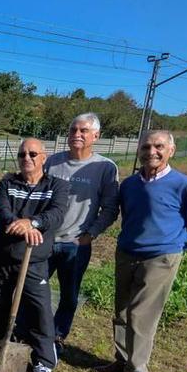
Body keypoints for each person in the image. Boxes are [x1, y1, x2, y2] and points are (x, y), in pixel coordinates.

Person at [100, 130, 187, 372]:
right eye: (146, 146)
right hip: (128, 253)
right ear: (139, 151)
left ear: (171, 151)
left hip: (160, 258)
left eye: (159, 146)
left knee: (141, 315)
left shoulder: (184, 186)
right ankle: (122, 361)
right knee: (121, 311)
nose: (152, 151)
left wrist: (174, 247)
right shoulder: (129, 185)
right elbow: (130, 217)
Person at [0, 138, 68, 372]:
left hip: (34, 261)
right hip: (2, 257)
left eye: (33, 154)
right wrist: (24, 225)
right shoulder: (8, 183)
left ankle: (44, 361)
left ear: (44, 157)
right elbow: (2, 211)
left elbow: (55, 215)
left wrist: (31, 222)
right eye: (22, 154)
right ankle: (2, 345)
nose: (27, 158)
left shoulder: (57, 186)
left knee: (40, 311)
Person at [44, 113, 119, 351]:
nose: (77, 135)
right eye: (73, 130)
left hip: (75, 243)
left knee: (69, 295)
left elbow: (110, 208)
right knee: (35, 288)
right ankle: (33, 328)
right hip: (45, 240)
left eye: (83, 131)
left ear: (95, 136)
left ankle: (57, 334)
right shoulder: (52, 162)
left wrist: (90, 235)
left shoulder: (105, 168)